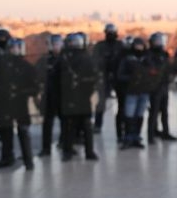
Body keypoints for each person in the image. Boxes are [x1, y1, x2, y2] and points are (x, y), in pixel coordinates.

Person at [0, 38, 37, 170]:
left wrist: (21, 91)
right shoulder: (0, 66)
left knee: (23, 131)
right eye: (12, 48)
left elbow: (34, 87)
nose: (15, 50)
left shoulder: (27, 66)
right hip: (4, 103)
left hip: (20, 103)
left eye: (17, 48)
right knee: (6, 132)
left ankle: (28, 160)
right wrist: (2, 90)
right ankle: (7, 157)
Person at [59, 33, 99, 162]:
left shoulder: (85, 57)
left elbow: (92, 77)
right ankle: (70, 151)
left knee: (84, 126)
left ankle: (86, 151)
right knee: (71, 126)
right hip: (71, 96)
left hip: (80, 96)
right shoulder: (65, 57)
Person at [117, 37, 153, 149]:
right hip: (132, 91)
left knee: (139, 115)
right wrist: (132, 78)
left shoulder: (147, 58)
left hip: (143, 91)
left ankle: (136, 137)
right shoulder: (127, 59)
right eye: (137, 45)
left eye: (140, 45)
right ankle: (128, 137)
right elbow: (120, 75)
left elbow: (153, 72)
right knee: (129, 115)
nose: (139, 47)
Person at [92, 23, 125, 140]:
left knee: (122, 102)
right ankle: (98, 124)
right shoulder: (100, 46)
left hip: (117, 75)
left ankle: (121, 124)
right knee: (101, 103)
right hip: (104, 75)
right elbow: (96, 61)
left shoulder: (120, 46)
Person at [36, 34, 64, 156]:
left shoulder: (65, 59)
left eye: (57, 44)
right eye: (53, 44)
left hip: (63, 96)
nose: (55, 47)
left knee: (66, 122)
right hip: (48, 96)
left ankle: (65, 144)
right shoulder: (44, 60)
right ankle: (46, 148)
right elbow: (36, 76)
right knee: (47, 123)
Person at [146, 32, 176, 143]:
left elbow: (169, 68)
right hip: (154, 87)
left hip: (164, 86)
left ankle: (165, 132)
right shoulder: (149, 54)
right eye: (157, 41)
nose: (160, 43)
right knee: (154, 112)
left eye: (161, 41)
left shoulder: (164, 54)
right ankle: (151, 135)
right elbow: (151, 70)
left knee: (164, 111)